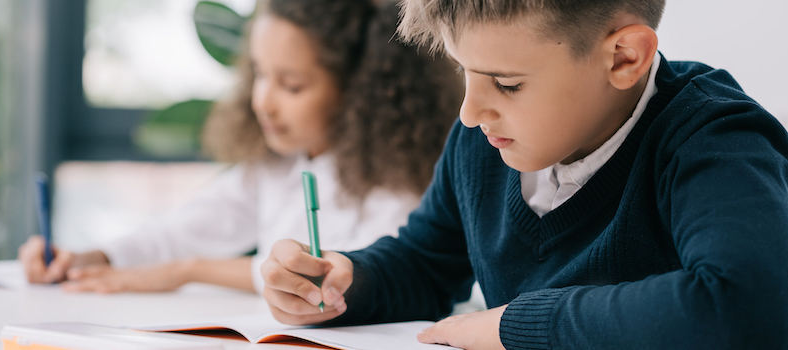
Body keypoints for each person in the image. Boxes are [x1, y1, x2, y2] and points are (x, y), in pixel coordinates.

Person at [259, 0, 788, 349]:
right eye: (464, 71)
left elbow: (747, 305)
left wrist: (518, 324)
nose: (469, 112)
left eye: (507, 83)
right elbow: (426, 263)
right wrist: (347, 280)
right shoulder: (485, 136)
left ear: (625, 57)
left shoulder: (714, 138)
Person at [17, 0, 463, 295]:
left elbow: (349, 275)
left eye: (291, 85)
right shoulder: (275, 166)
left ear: (359, 91)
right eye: (260, 75)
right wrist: (92, 258)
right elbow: (185, 229)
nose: (262, 101)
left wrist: (189, 270)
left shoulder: (399, 182)